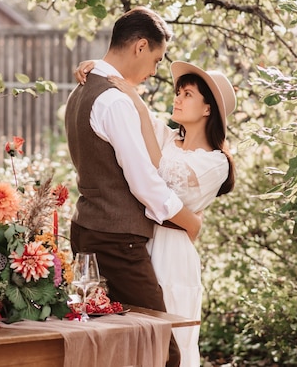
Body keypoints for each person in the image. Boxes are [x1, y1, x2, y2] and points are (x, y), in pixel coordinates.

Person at [75, 59, 236, 366]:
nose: (177, 98)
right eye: (178, 92)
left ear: (207, 109)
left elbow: (160, 170)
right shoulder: (166, 137)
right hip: (140, 241)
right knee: (136, 336)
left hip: (173, 252)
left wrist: (137, 101)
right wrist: (96, 65)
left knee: (169, 338)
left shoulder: (216, 162)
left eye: (187, 94)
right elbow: (140, 123)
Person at [64, 7, 202, 367]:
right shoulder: (113, 100)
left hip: (86, 231)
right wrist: (188, 221)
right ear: (140, 46)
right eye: (156, 59)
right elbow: (143, 181)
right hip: (116, 241)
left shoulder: (81, 89)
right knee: (160, 349)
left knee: (111, 348)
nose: (154, 71)